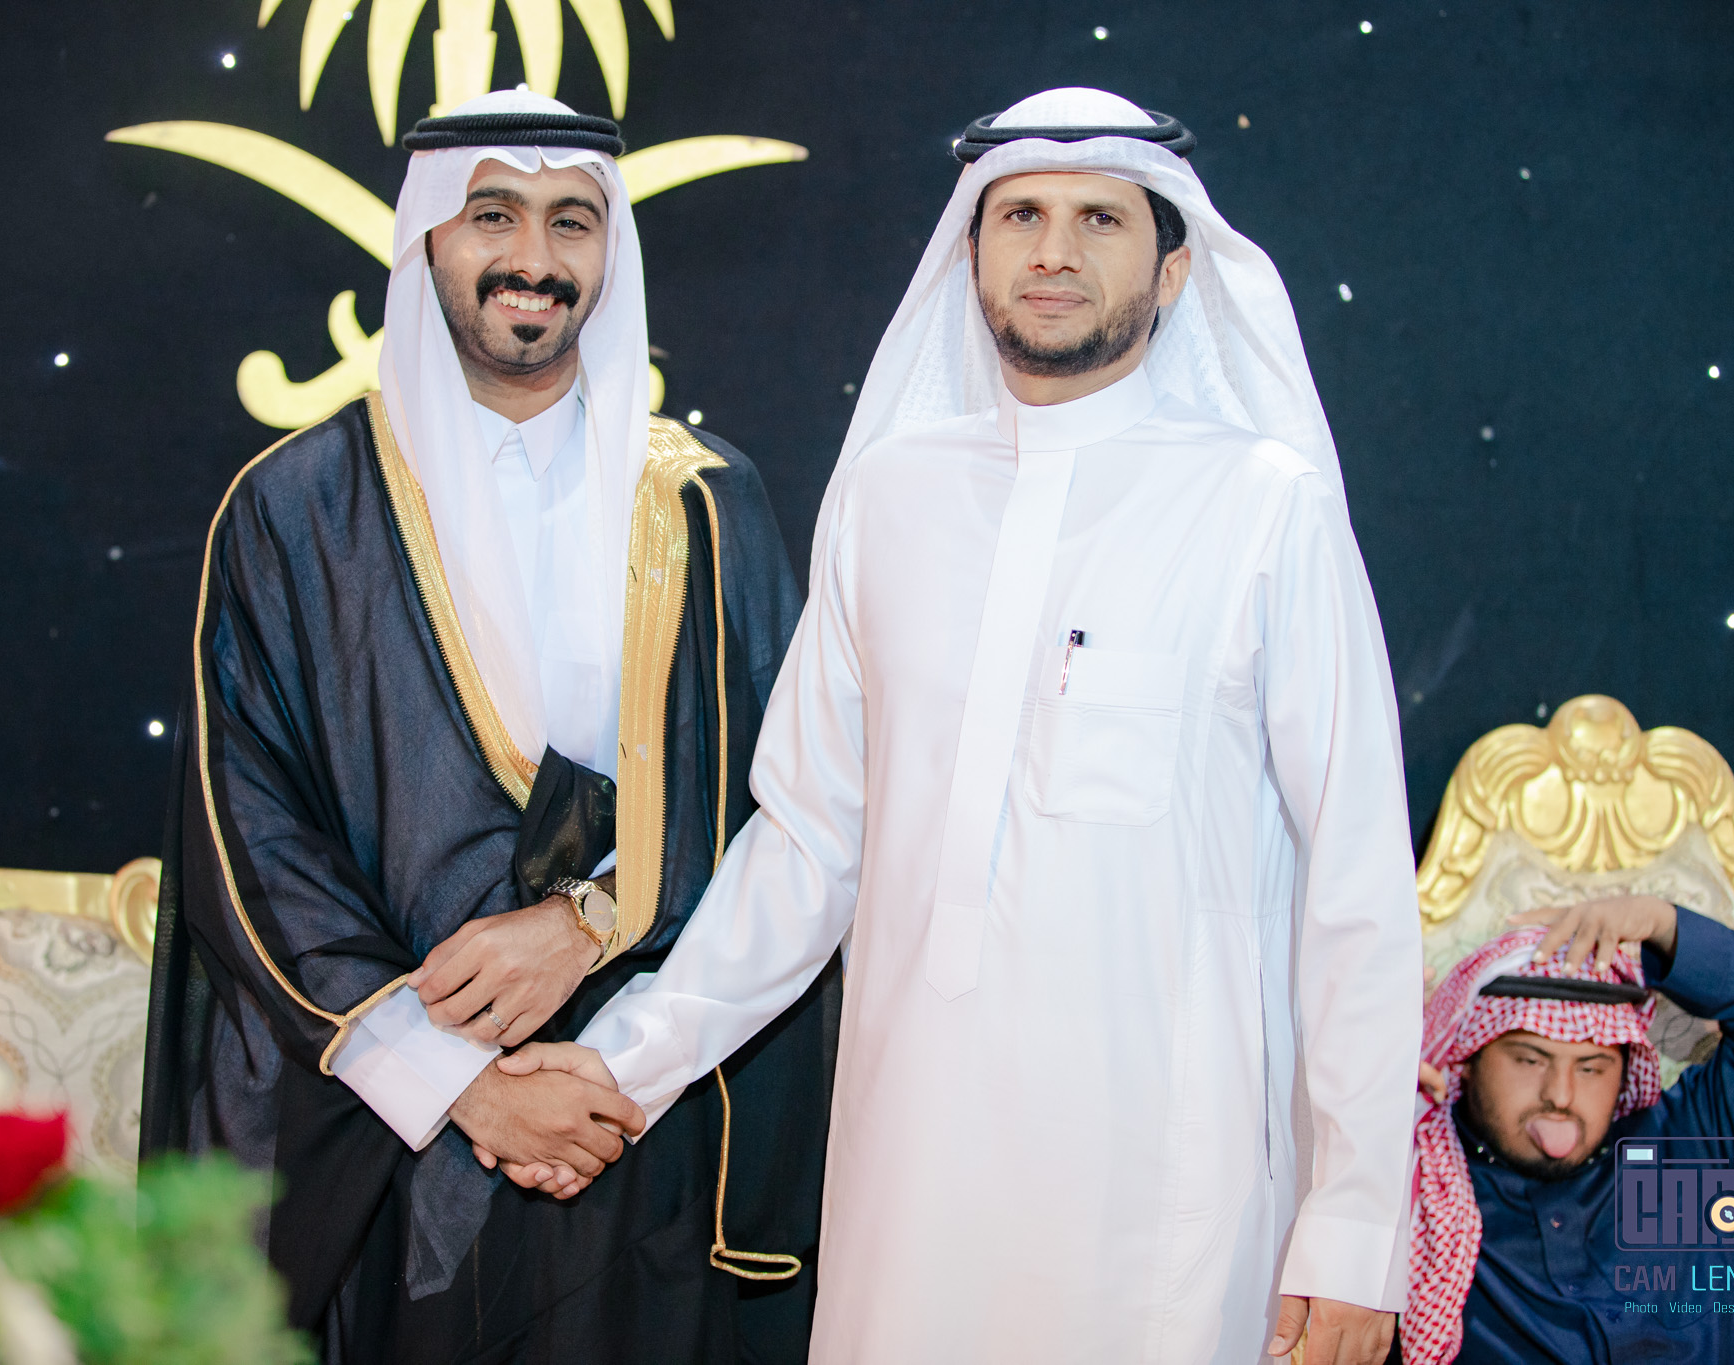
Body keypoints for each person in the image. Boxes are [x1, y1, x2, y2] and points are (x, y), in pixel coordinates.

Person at [502, 86, 1423, 1364]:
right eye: (1020, 215)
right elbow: (808, 843)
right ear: (971, 250)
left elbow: (1355, 890)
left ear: (1171, 269)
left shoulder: (1263, 508)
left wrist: (1354, 1226)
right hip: (911, 1176)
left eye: (1099, 219)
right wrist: (625, 1064)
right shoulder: (888, 496)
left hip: (1168, 1198)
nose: (1053, 251)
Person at [136, 90, 833, 1363]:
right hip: (382, 1132)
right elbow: (251, 841)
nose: (533, 256)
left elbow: (781, 805)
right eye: (492, 215)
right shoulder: (294, 507)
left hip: (631, 1117)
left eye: (572, 221)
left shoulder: (708, 505)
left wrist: (586, 930)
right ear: (428, 240)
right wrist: (456, 1084)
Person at [1403, 896, 1734, 1365]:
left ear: (1624, 1070)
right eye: (1530, 1060)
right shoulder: (1421, 1187)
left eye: (1591, 1068)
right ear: (1468, 1059)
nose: (1560, 1095)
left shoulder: (1690, 1145)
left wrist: (1661, 923)